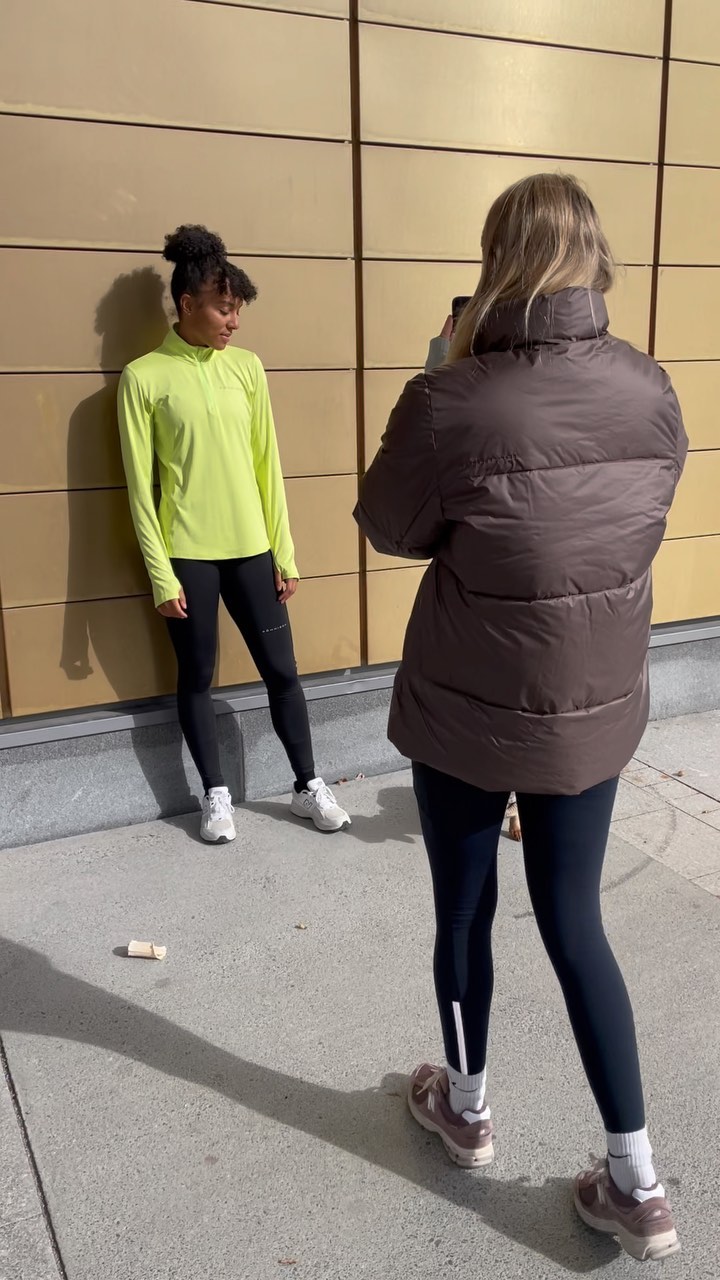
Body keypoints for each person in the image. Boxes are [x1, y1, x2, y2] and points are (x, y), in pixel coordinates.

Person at [355, 174, 687, 1262]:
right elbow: (633, 521)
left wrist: (438, 372)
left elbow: (389, 526)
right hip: (592, 702)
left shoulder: (451, 398)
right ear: (594, 256)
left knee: (464, 911)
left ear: (498, 258)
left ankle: (466, 1109)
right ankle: (638, 1181)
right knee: (575, 920)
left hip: (466, 703)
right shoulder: (651, 387)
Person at [118, 225, 350, 842]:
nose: (234, 322)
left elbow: (267, 464)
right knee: (196, 676)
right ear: (187, 303)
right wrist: (160, 574)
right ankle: (215, 795)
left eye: (238, 309)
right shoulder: (144, 377)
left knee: (283, 672)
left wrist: (285, 553)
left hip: (252, 551)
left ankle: (307, 786)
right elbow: (140, 489)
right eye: (224, 308)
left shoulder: (246, 368)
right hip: (187, 555)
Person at [426, 320, 522, 845]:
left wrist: (442, 357)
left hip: (493, 604)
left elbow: (396, 517)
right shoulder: (628, 382)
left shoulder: (455, 395)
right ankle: (512, 800)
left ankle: (513, 800)